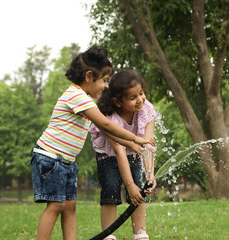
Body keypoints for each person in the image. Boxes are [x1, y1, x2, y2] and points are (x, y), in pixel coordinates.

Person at [29, 46, 155, 240]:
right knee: (56, 205)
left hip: (66, 162)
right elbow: (106, 124)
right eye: (104, 81)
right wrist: (135, 138)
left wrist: (129, 145)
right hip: (50, 158)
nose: (106, 86)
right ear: (89, 76)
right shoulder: (76, 96)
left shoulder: (85, 100)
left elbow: (105, 130)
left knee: (70, 207)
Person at [89, 70, 156, 240]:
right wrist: (130, 185)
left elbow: (147, 145)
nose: (140, 99)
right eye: (132, 98)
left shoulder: (147, 110)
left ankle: (140, 232)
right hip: (109, 155)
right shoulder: (110, 118)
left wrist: (150, 175)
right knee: (111, 190)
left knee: (140, 190)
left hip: (133, 152)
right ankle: (108, 234)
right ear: (118, 102)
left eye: (141, 93)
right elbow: (119, 151)